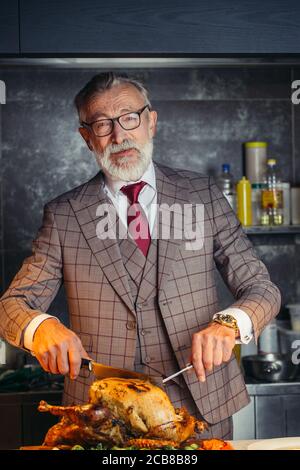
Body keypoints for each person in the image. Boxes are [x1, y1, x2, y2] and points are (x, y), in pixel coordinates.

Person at [0, 72, 281, 439]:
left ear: (151, 121)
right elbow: (13, 304)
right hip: (103, 416)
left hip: (201, 407)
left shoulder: (203, 196)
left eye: (130, 118)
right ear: (87, 137)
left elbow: (262, 289)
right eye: (103, 125)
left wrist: (229, 324)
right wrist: (41, 327)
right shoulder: (64, 214)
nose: (119, 136)